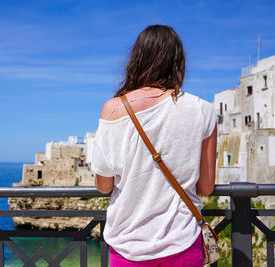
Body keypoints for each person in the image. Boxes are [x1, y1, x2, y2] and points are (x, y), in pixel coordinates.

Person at [91, 25, 217, 267]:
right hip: (183, 243)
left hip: (129, 246)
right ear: (178, 63)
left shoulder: (114, 109)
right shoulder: (203, 110)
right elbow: (206, 187)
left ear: (136, 60)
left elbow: (104, 185)